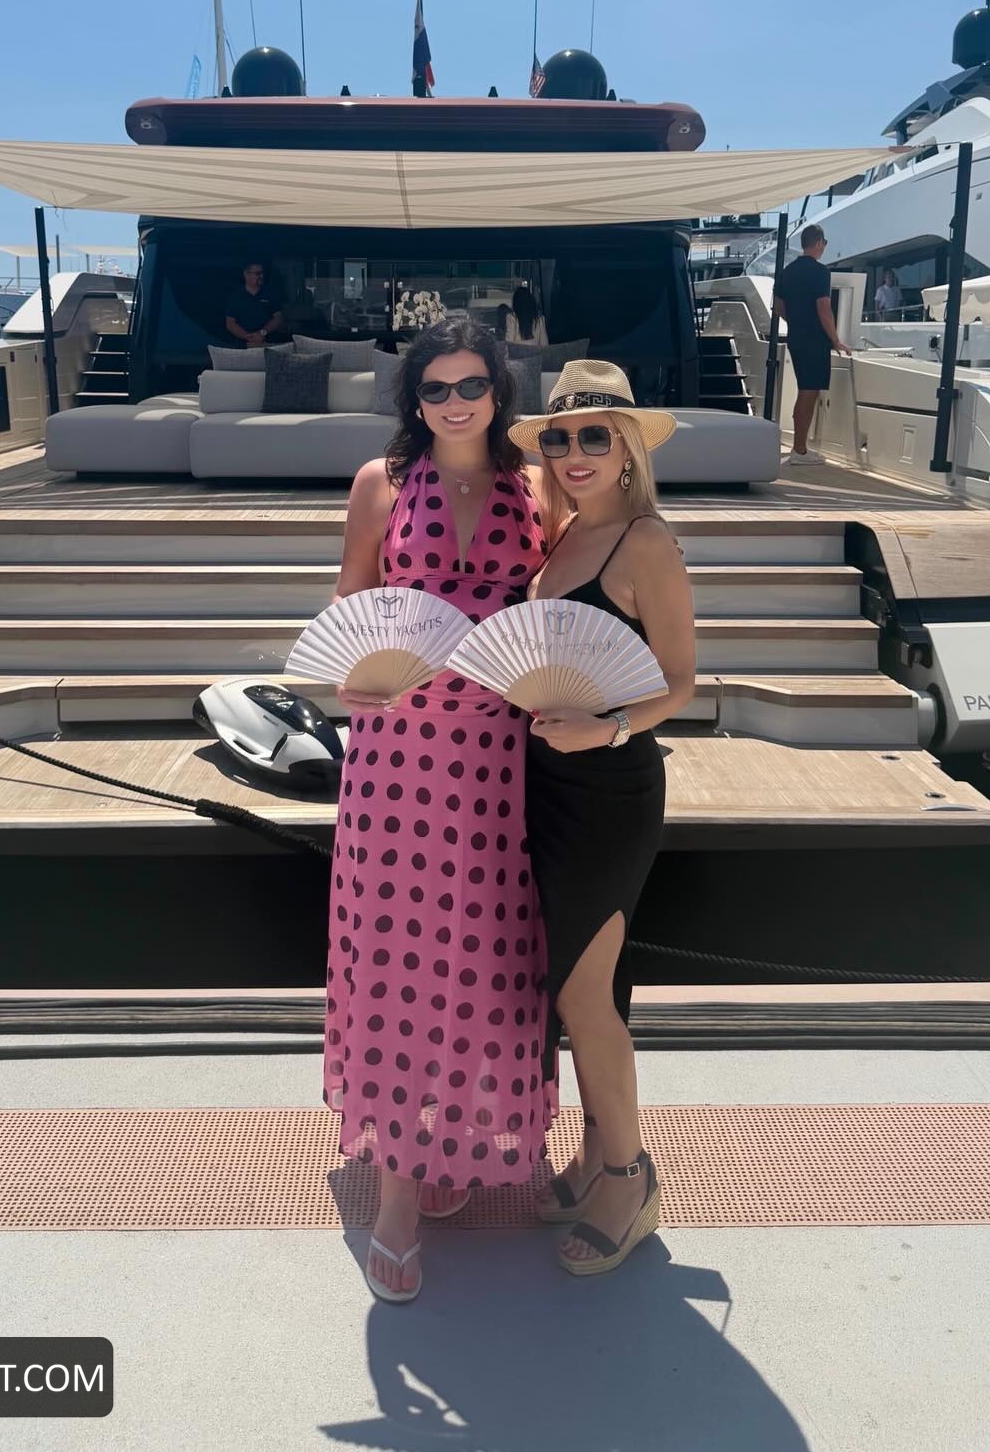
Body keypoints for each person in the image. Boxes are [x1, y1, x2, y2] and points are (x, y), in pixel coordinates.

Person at [324, 316, 553, 1303]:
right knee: (397, 958)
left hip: (499, 755)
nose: (455, 403)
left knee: (480, 956)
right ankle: (398, 1194)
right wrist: (351, 676)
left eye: (471, 385)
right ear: (413, 399)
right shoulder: (380, 483)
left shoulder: (537, 486)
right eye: (435, 388)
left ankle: (451, 1134)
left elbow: (562, 612)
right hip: (399, 753)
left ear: (500, 391)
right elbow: (351, 602)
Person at [508, 359, 697, 1277]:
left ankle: (629, 1179)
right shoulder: (562, 535)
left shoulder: (645, 541)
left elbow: (681, 683)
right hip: (546, 785)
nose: (574, 451)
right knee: (586, 991)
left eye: (595, 434)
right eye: (559, 436)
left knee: (584, 996)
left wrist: (608, 725)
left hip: (611, 790)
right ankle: (593, 1156)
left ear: (628, 448)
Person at [772, 225, 850, 465]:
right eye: (824, 243)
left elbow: (778, 307)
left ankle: (799, 447)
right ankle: (800, 450)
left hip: (796, 337)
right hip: (814, 340)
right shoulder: (820, 272)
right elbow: (824, 308)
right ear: (818, 242)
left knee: (804, 389)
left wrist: (796, 320)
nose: (824, 247)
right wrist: (835, 339)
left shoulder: (786, 272)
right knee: (809, 391)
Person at [224, 259, 285, 347]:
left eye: (262, 273)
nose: (261, 276)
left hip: (268, 344)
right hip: (243, 347)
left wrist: (262, 333)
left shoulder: (271, 294)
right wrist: (249, 337)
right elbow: (230, 324)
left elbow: (278, 319)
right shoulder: (235, 297)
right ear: (246, 274)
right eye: (257, 273)